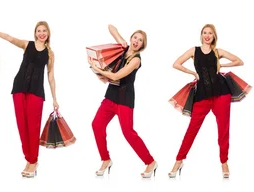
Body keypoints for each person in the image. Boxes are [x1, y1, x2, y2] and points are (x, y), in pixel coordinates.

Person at [0, 21, 58, 178]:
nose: (42, 33)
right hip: (19, 88)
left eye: (44, 30)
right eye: (39, 30)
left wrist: (55, 98)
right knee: (22, 126)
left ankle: (33, 161)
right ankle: (29, 159)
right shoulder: (27, 45)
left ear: (48, 33)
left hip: (37, 92)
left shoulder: (50, 54)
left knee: (33, 127)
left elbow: (51, 78)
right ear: (35, 33)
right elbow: (10, 38)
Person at [167, 24, 243, 179]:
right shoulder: (193, 51)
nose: (207, 35)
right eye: (205, 33)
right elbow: (176, 64)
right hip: (201, 95)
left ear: (214, 36)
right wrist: (193, 73)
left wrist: (223, 64)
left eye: (210, 33)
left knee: (223, 129)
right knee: (192, 130)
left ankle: (224, 162)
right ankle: (179, 161)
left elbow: (239, 61)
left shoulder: (217, 51)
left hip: (221, 94)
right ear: (201, 35)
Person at [88, 24, 157, 178]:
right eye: (135, 37)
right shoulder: (122, 50)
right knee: (96, 125)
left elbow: (116, 76)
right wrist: (120, 40)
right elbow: (110, 27)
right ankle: (105, 159)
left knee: (128, 133)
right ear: (131, 38)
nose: (136, 41)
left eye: (140, 40)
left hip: (125, 100)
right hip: (111, 96)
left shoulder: (136, 60)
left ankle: (151, 162)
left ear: (142, 45)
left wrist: (97, 69)